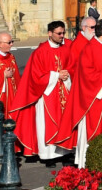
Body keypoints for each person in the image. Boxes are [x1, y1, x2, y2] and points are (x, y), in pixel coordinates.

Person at [59, 19, 102, 167]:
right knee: (99, 131)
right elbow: (86, 74)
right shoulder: (90, 49)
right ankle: (92, 163)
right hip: (97, 100)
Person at [11, 21, 72, 162]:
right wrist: (56, 75)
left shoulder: (66, 49)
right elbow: (35, 76)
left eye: (63, 33)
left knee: (64, 121)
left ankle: (64, 152)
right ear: (50, 33)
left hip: (64, 90)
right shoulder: (40, 52)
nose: (62, 36)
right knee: (47, 123)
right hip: (47, 93)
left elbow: (72, 67)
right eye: (59, 33)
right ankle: (48, 155)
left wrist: (67, 74)